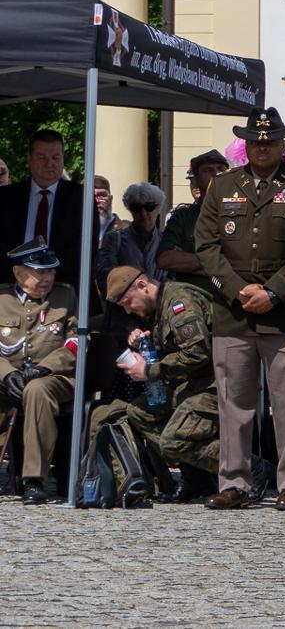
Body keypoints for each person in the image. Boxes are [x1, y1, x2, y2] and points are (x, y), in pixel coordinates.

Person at [194, 108, 285, 511]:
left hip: (284, 313)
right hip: (233, 313)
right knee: (234, 403)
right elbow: (206, 246)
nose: (263, 147)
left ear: (282, 144)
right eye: (255, 141)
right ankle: (234, 481)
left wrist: (274, 292)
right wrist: (237, 290)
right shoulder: (222, 187)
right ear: (247, 144)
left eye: (270, 141)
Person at [99, 267, 222, 503]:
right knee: (139, 411)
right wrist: (144, 344)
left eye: (127, 302)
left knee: (171, 442)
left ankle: (246, 466)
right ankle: (197, 479)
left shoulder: (180, 302)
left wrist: (148, 370)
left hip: (213, 385)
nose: (127, 310)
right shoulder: (159, 308)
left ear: (142, 286)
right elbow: (173, 351)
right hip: (189, 385)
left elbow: (197, 354)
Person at [0, 239, 79, 503]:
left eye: (51, 271)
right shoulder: (2, 299)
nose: (48, 277)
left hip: (53, 377)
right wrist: (6, 373)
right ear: (18, 272)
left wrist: (45, 367)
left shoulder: (65, 296)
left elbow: (76, 343)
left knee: (36, 390)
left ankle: (34, 479)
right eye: (40, 271)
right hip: (8, 377)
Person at [0, 130, 85, 290]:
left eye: (55, 157)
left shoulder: (81, 198)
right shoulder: (7, 197)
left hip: (63, 289)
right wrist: (22, 272)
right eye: (42, 157)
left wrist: (45, 273)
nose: (49, 164)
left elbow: (84, 249)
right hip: (12, 286)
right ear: (29, 159)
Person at [156, 150, 231, 299]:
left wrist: (190, 262)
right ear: (195, 179)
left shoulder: (243, 213)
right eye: (208, 170)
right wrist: (219, 262)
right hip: (194, 298)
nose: (216, 174)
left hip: (231, 297)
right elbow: (165, 259)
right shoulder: (183, 217)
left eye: (221, 169)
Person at [96, 182, 166, 285]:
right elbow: (106, 278)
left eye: (149, 207)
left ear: (158, 208)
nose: (143, 213)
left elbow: (174, 280)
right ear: (130, 210)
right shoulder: (114, 240)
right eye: (136, 208)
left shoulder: (166, 241)